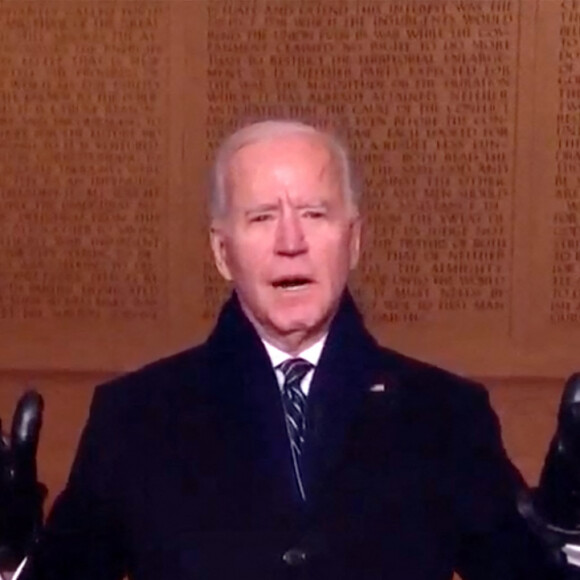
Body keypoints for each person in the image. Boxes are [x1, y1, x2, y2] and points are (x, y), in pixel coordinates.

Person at [4, 120, 580, 579]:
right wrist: (12, 562)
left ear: (353, 240)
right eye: (261, 217)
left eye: (314, 214)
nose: (290, 242)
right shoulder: (134, 418)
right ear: (222, 250)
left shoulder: (446, 417)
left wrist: (567, 539)